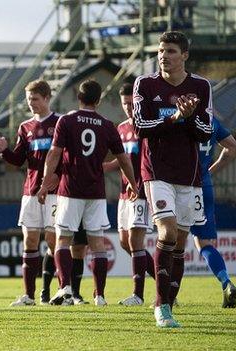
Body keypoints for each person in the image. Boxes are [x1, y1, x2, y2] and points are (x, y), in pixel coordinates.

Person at [133, 31, 213, 327]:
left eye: (170, 51)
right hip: (157, 171)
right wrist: (174, 118)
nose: (163, 55)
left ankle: (170, 301)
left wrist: (190, 116)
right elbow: (140, 126)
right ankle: (160, 305)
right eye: (161, 50)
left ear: (185, 56)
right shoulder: (146, 83)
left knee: (180, 243)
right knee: (165, 233)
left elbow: (207, 132)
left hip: (189, 175)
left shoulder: (201, 86)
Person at [37, 79, 137, 307]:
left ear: (78, 98)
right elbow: (123, 160)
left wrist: (44, 184)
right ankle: (99, 295)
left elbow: (54, 154)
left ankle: (65, 288)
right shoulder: (107, 125)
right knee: (97, 244)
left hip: (70, 190)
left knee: (63, 240)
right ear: (98, 100)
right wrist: (133, 183)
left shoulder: (67, 121)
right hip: (96, 192)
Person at [0, 80, 88, 306]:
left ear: (47, 98)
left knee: (54, 240)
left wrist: (59, 176)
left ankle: (64, 291)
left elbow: (70, 158)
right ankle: (28, 295)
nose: (31, 103)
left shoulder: (60, 123)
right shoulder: (25, 127)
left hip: (56, 192)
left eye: (35, 99)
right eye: (28, 100)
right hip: (31, 191)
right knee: (30, 240)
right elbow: (18, 160)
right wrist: (4, 150)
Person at [103, 83, 156, 306]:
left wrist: (143, 184)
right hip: (125, 192)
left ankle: (138, 295)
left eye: (131, 103)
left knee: (135, 240)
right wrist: (104, 166)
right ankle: (166, 280)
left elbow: (149, 159)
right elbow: (123, 160)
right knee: (125, 242)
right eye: (124, 104)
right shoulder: (122, 128)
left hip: (142, 190)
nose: (128, 108)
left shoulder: (148, 127)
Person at [190, 117, 236, 308]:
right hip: (205, 185)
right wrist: (210, 171)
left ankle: (168, 296)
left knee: (169, 240)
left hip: (183, 185)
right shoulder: (212, 121)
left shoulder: (182, 118)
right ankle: (226, 282)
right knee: (204, 243)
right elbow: (232, 147)